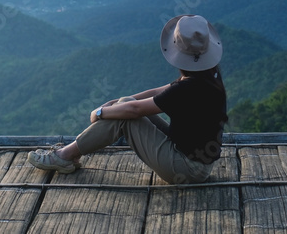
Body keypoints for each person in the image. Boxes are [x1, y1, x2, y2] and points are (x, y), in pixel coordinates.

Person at [27, 14, 228, 184]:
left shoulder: (188, 87)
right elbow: (160, 91)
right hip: (196, 162)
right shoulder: (208, 78)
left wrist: (99, 112)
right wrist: (118, 102)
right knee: (125, 104)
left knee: (125, 117)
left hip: (186, 169)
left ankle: (65, 155)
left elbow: (135, 112)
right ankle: (71, 153)